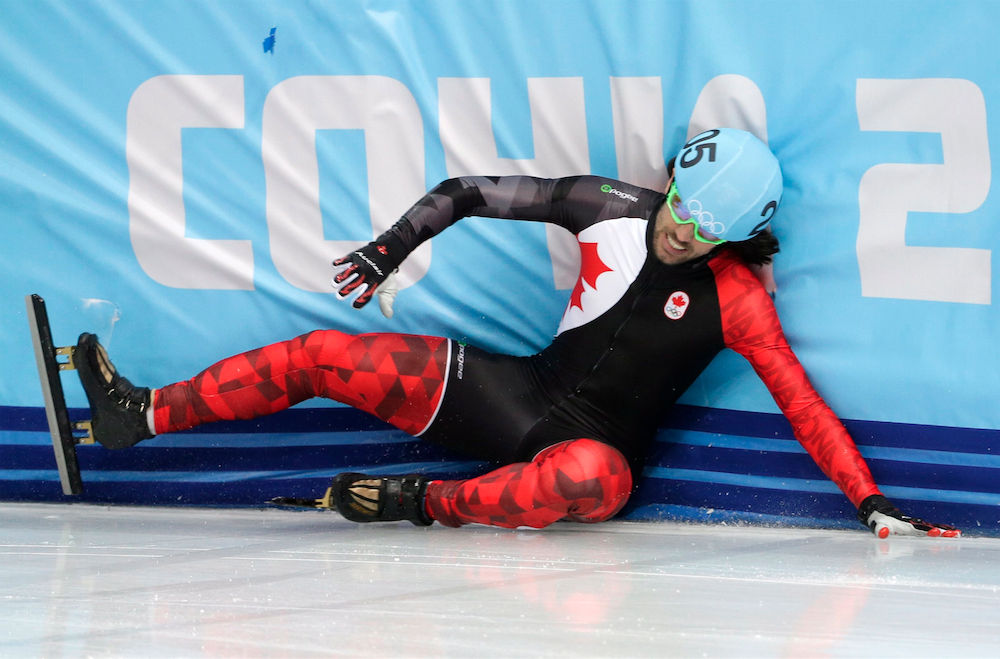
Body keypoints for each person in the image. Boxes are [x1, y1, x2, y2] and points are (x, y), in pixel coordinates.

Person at [73, 128, 957, 538]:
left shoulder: (739, 301)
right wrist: (391, 248)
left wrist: (868, 498)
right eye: (682, 208)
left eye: (704, 229)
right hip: (515, 396)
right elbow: (466, 191)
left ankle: (426, 503)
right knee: (321, 355)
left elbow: (803, 405)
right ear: (675, 181)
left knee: (587, 471)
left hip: (595, 464)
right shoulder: (608, 206)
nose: (680, 231)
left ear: (736, 236)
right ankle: (137, 415)